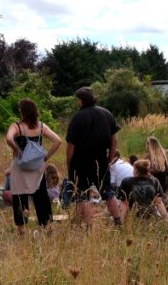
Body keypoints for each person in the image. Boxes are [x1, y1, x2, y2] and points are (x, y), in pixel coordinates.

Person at [6, 98, 62, 233]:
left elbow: (8, 138)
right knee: (41, 195)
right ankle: (47, 226)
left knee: (19, 196)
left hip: (19, 166)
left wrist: (18, 150)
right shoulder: (41, 126)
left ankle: (21, 229)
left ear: (22, 111)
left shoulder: (16, 126)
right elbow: (58, 141)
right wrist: (46, 157)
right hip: (37, 166)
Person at [65, 87, 120, 225]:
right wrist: (109, 158)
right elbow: (114, 140)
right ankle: (118, 220)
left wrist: (69, 163)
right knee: (108, 192)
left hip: (81, 161)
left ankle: (88, 226)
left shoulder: (78, 117)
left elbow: (71, 145)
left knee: (82, 194)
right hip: (101, 158)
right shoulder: (107, 113)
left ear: (81, 100)